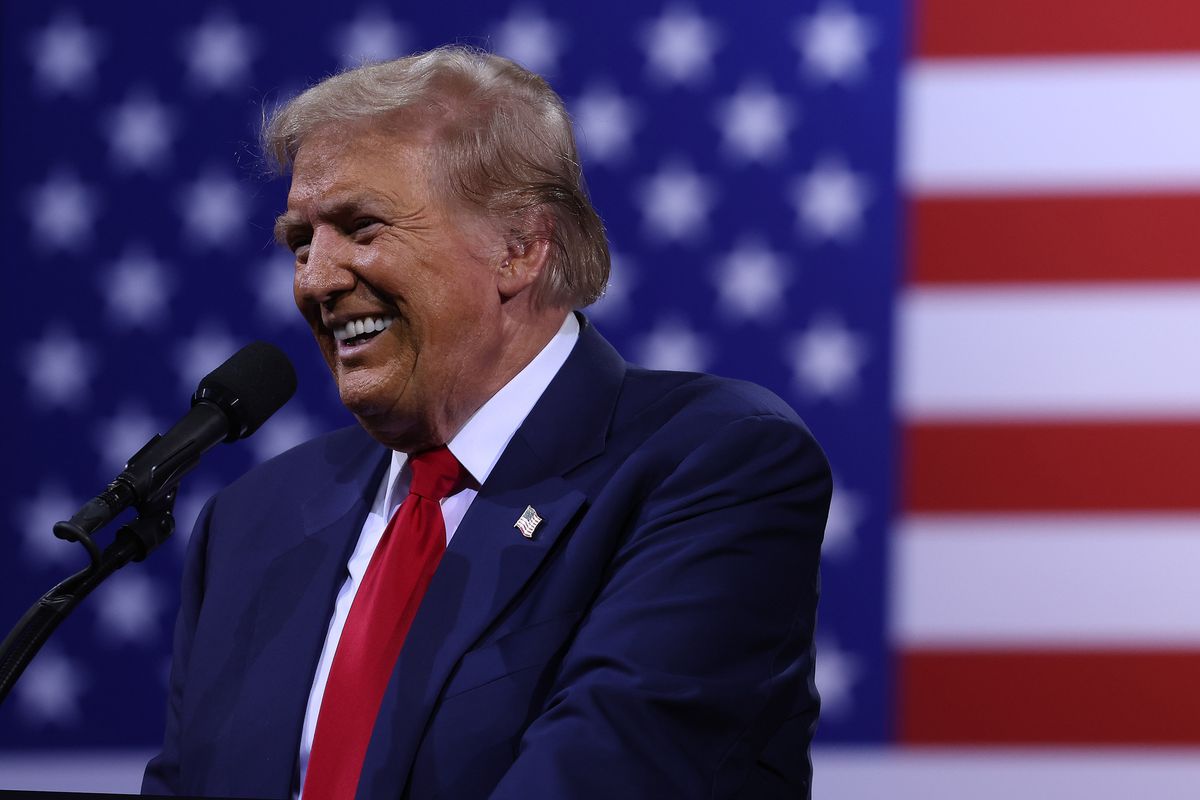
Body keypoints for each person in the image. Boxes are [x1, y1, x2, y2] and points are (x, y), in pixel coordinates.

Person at [143, 45, 831, 800]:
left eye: (362, 227)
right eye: (300, 242)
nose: (314, 279)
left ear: (520, 248)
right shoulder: (252, 523)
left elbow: (607, 771)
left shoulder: (710, 463)